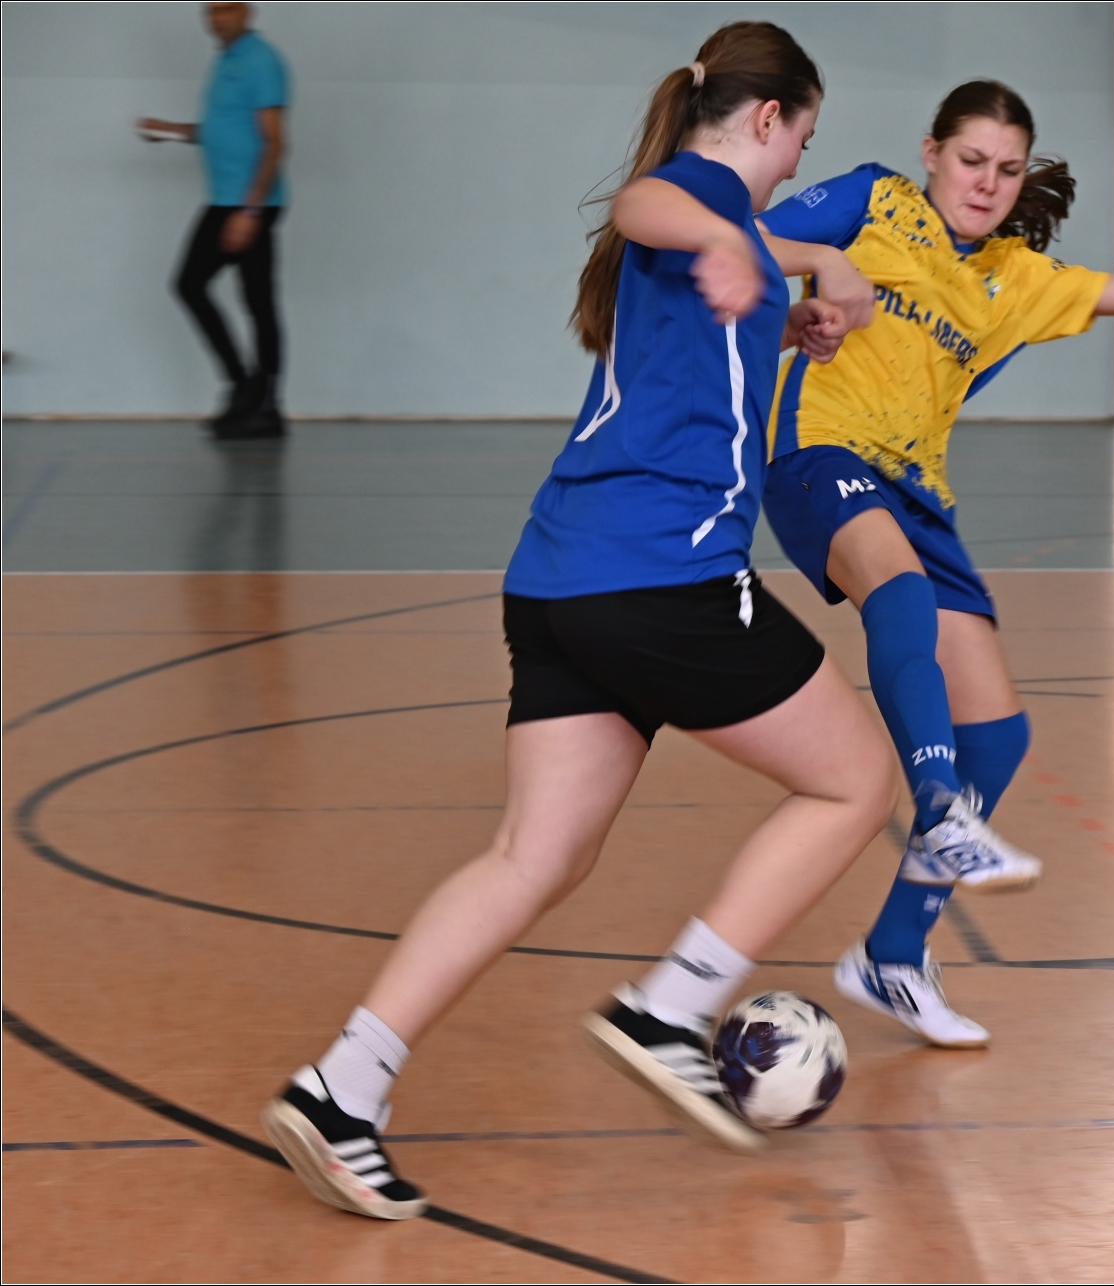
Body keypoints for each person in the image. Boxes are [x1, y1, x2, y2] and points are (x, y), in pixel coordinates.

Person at [261, 22, 896, 1220]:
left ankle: (343, 1085)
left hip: (558, 578)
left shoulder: (732, 230)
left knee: (534, 856)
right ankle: (672, 1007)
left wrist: (803, 292)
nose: (792, 167)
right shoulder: (695, 199)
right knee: (855, 781)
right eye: (801, 140)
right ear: (768, 120)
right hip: (661, 574)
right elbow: (649, 204)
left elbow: (731, 261)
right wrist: (737, 241)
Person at [755, 82, 1114, 1047]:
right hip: (821, 449)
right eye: (972, 160)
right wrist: (821, 266)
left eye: (1008, 169)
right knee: (899, 594)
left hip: (918, 490)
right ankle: (940, 806)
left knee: (998, 735)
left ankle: (893, 957)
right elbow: (745, 242)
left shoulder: (1019, 279)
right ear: (932, 154)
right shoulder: (875, 199)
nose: (988, 182)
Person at [137, 2, 291, 439]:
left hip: (250, 203)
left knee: (255, 301)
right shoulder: (225, 61)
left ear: (247, 11)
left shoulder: (261, 61)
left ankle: (264, 404)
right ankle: (246, 390)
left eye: (225, 9)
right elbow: (221, 130)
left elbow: (276, 143)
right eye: (210, 11)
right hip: (226, 200)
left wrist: (250, 211)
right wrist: (171, 130)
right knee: (192, 286)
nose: (216, 19)